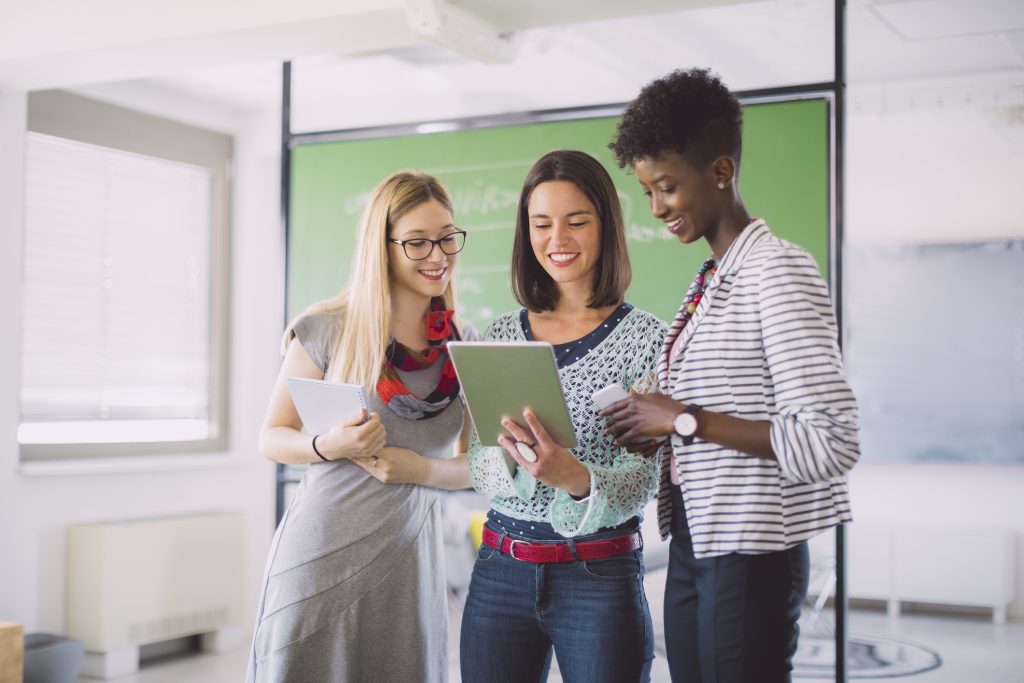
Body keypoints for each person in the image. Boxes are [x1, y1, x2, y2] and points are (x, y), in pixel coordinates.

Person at [602, 68, 861, 683]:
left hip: (751, 552)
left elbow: (830, 439)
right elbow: (717, 416)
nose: (657, 208)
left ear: (720, 172)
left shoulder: (776, 270)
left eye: (667, 187)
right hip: (698, 541)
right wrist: (659, 428)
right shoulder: (713, 277)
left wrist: (684, 420)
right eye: (647, 192)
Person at [247, 171, 478, 682]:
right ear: (383, 247)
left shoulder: (464, 344)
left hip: (410, 567)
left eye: (446, 237)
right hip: (320, 557)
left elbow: (481, 468)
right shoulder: (328, 328)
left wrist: (422, 468)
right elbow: (271, 437)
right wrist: (330, 444)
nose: (438, 255)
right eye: (417, 243)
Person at [459, 149, 667, 683]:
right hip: (500, 568)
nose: (558, 240)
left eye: (577, 222)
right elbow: (480, 465)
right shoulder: (502, 333)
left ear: (606, 226)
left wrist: (573, 479)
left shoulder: (648, 341)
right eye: (541, 224)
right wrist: (511, 456)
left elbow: (644, 479)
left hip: (597, 576)